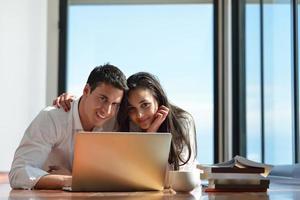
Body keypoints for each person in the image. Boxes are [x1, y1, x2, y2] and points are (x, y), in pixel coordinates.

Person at [9, 64, 128, 190]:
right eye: (103, 98)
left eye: (115, 104)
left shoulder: (113, 124)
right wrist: (70, 180)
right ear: (86, 90)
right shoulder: (52, 118)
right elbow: (18, 173)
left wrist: (75, 178)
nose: (107, 110)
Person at [55, 72, 197, 171]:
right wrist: (72, 101)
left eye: (145, 105)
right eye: (131, 108)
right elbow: (130, 174)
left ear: (158, 99)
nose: (139, 115)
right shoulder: (127, 123)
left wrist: (152, 136)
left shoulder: (182, 121)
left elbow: (178, 176)